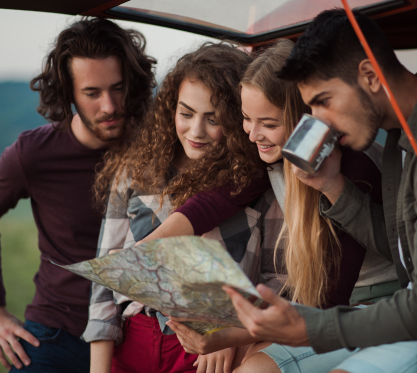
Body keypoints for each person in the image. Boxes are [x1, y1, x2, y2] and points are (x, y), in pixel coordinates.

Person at [224, 9, 417, 373]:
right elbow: (399, 250)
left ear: (369, 75)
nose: (319, 122)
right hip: (404, 311)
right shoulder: (400, 140)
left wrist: (308, 328)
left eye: (323, 102)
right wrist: (332, 185)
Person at [169, 38, 396, 371]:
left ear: (306, 119)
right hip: (315, 305)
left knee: (253, 366)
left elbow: (331, 298)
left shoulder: (352, 169)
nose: (252, 134)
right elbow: (216, 200)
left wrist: (227, 336)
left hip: (367, 305)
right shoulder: (271, 153)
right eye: (247, 118)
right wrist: (150, 243)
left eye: (268, 124)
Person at [0, 18, 156, 372]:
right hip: (57, 331)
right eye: (92, 93)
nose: (110, 106)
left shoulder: (159, 142)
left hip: (142, 332)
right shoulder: (33, 153)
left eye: (118, 88)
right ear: (68, 93)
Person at [85, 42, 285, 373]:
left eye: (213, 118)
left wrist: (231, 334)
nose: (196, 131)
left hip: (207, 355)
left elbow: (277, 281)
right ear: (170, 108)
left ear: (238, 120)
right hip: (131, 340)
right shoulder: (136, 171)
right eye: (186, 113)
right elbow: (106, 281)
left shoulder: (258, 185)